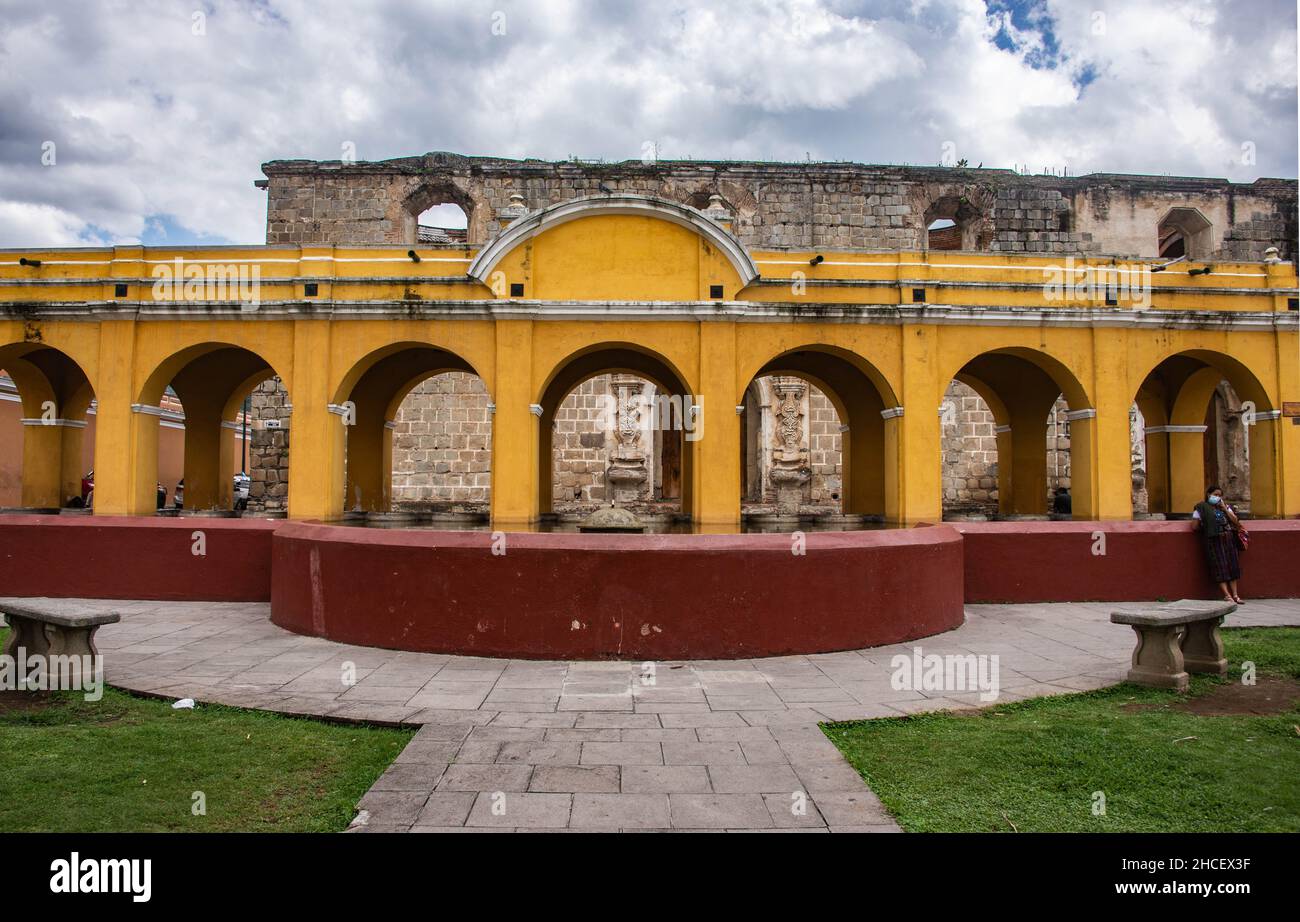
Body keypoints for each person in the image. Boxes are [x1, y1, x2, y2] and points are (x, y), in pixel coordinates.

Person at [1192, 485, 1243, 604]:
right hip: (1214, 540)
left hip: (1228, 538)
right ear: (1208, 494)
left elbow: (1236, 522)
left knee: (1232, 565)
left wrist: (1225, 509)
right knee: (1220, 566)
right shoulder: (1201, 508)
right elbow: (1194, 526)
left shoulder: (1226, 508)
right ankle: (1227, 595)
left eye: (1220, 495)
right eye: (1215, 495)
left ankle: (1235, 594)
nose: (1217, 497)